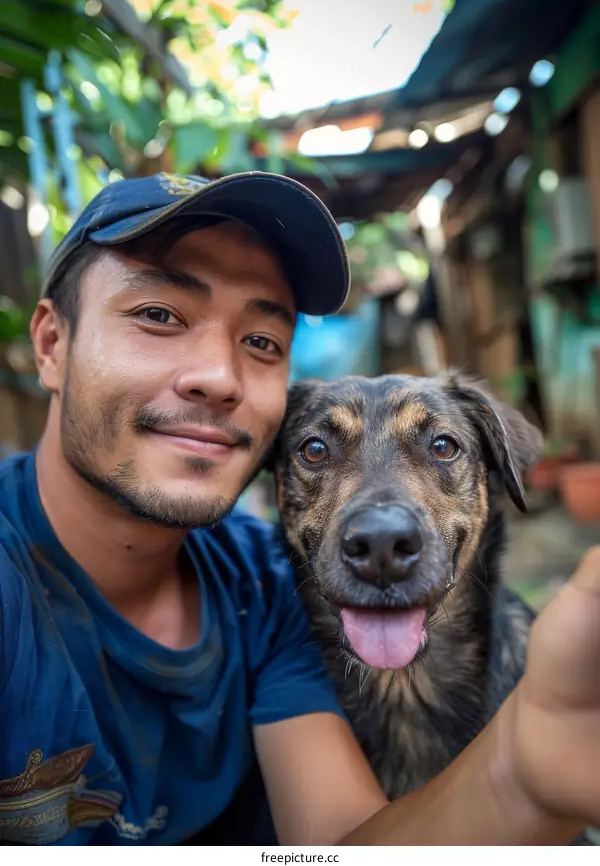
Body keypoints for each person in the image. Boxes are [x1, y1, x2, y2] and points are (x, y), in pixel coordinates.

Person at [0, 170, 599, 847]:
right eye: (158, 314)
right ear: (51, 344)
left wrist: (522, 768)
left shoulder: (269, 582)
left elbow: (341, 847)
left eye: (261, 341)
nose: (219, 376)